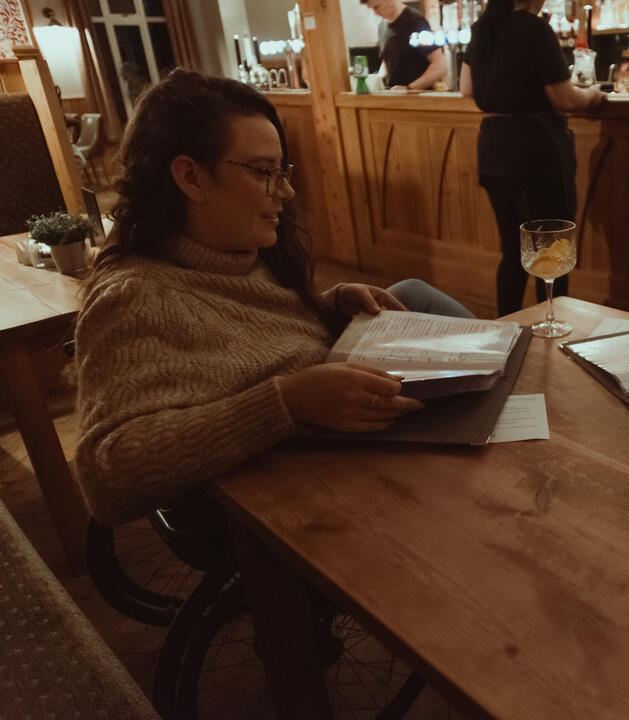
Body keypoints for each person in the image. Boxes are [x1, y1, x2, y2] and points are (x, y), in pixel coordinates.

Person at [74, 70, 472, 526]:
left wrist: (329, 306)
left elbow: (247, 328)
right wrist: (284, 403)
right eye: (264, 172)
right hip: (284, 505)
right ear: (191, 177)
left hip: (338, 443)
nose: (286, 191)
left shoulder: (239, 252)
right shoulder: (135, 296)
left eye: (282, 172)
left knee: (412, 294)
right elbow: (105, 477)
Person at [460, 0, 604, 316]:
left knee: (513, 251)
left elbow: (466, 88)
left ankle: (507, 327)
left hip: (493, 148)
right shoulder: (534, 29)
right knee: (552, 247)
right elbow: (565, 98)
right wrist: (594, 95)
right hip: (534, 151)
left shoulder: (482, 28)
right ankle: (551, 324)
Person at [361, 0, 446, 90]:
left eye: (377, 7)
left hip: (416, 96)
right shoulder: (382, 26)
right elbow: (387, 61)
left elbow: (440, 65)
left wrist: (409, 88)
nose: (375, 13)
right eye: (371, 8)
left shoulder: (415, 21)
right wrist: (376, 79)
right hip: (393, 95)